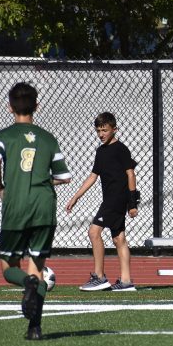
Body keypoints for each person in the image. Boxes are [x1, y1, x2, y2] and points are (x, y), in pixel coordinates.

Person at [0, 82, 72, 340]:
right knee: (37, 268)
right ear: (37, 106)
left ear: (10, 107)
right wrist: (43, 181)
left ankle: (27, 282)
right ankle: (34, 328)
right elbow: (64, 176)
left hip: (16, 206)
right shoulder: (48, 138)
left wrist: (0, 185)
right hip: (44, 207)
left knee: (9, 267)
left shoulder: (2, 136)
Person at [66, 112, 139, 292]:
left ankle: (99, 277)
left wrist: (132, 203)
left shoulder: (121, 149)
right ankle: (126, 281)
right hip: (110, 199)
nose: (101, 134)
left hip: (117, 199)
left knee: (93, 232)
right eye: (98, 130)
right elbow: (93, 176)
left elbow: (130, 174)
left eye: (104, 130)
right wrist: (76, 196)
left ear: (114, 129)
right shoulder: (100, 151)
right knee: (119, 238)